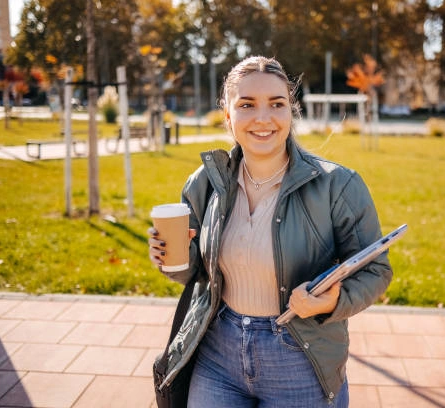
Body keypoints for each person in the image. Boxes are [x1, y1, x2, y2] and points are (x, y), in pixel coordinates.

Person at [148, 56, 393, 408]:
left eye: (276, 104)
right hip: (218, 351)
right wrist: (170, 257)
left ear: (291, 111)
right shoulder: (205, 184)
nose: (263, 118)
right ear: (228, 115)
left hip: (298, 357)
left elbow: (376, 269)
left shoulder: (337, 186)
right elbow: (195, 273)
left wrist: (333, 301)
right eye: (247, 105)